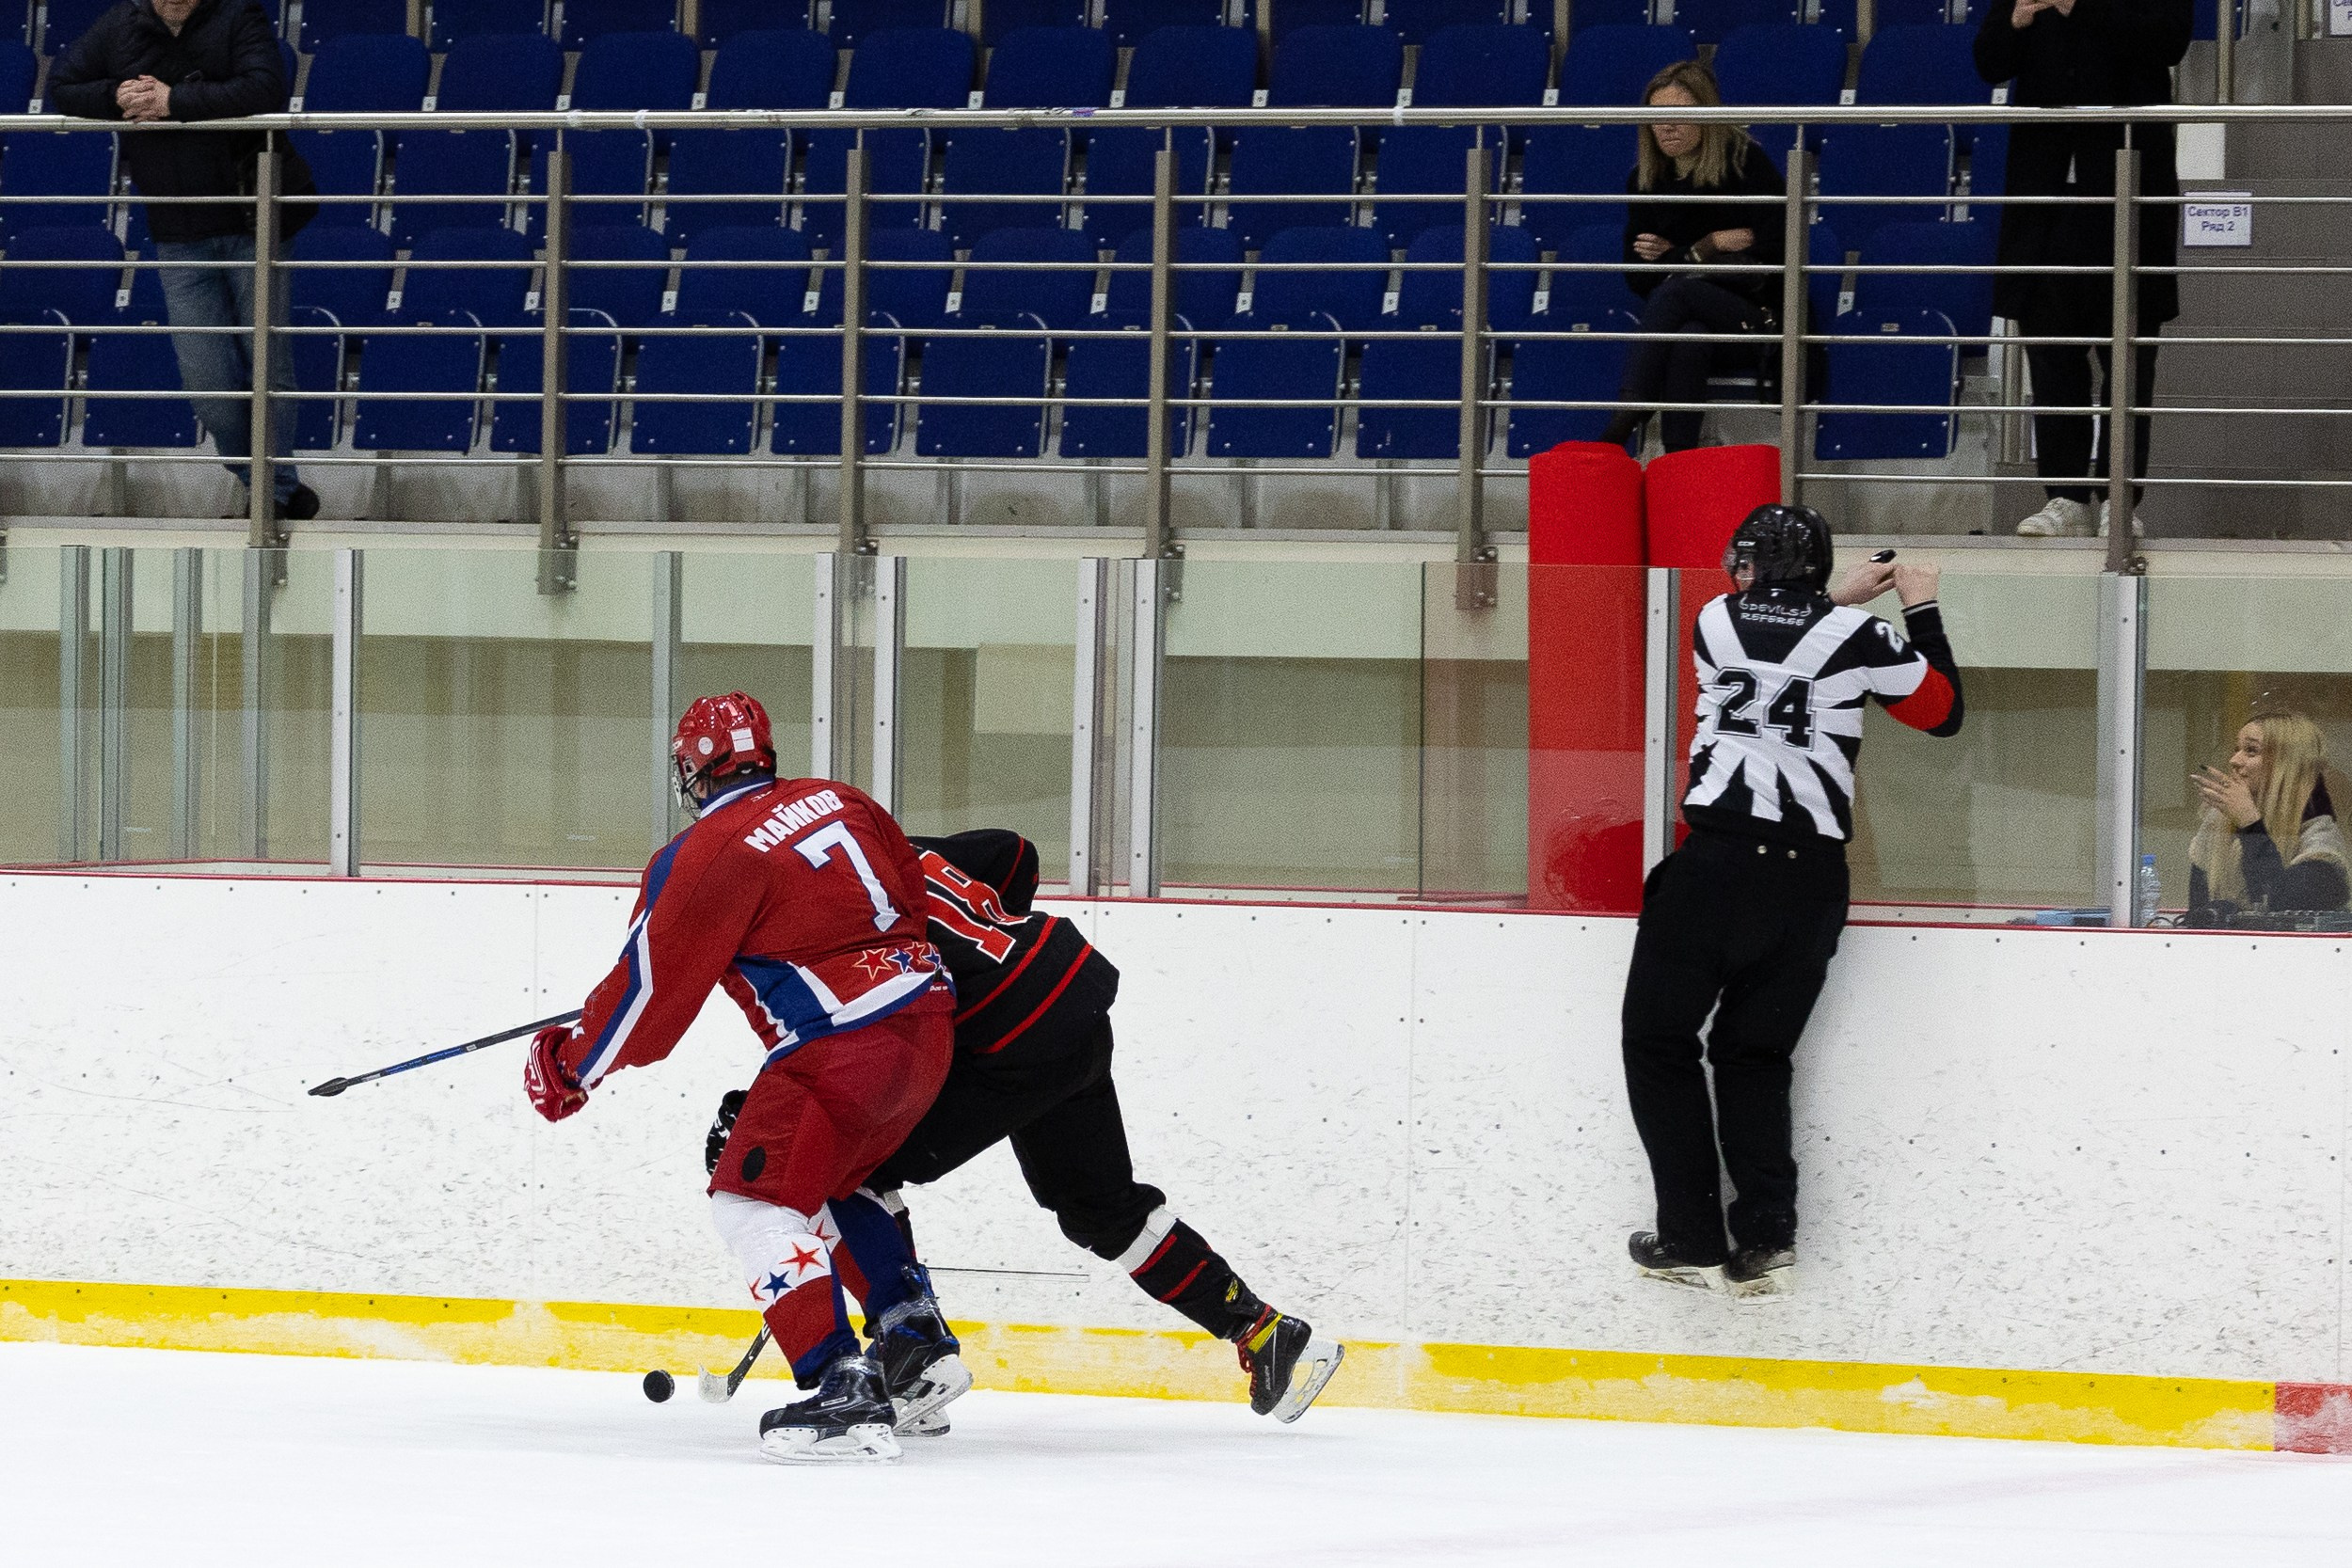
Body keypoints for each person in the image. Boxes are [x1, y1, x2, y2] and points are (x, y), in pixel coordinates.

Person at [704, 828, 1344, 1434]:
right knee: (1104, 1210)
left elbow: (851, 1037)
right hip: (1071, 997)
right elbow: (1014, 854)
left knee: (841, 1162)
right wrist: (994, 943)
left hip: (1009, 1040)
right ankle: (1267, 1333)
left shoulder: (814, 914)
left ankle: (914, 1353)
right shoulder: (883, 843)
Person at [525, 691, 954, 1465]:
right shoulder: (841, 797)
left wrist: (570, 1064)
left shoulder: (707, 851)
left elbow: (648, 1002)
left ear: (698, 767)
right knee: (833, 1182)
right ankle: (914, 1341)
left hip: (838, 1047)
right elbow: (910, 900)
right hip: (927, 1027)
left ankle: (838, 1384)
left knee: (750, 1199)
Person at [1620, 510, 1964, 1301]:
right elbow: (1942, 712)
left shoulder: (1712, 620)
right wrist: (1920, 607)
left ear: (1751, 565)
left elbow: (1778, 642)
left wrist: (1829, 600)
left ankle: (1691, 1233)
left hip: (1716, 866)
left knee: (1658, 1041)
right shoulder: (1863, 641)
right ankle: (1767, 1233)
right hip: (1808, 883)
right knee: (1755, 1056)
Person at [50, 0, 317, 522]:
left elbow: (265, 88)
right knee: (207, 381)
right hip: (176, 227)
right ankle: (268, 481)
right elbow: (61, 85)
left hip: (252, 217)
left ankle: (274, 495)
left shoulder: (239, 14)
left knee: (267, 366)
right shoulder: (121, 23)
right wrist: (116, 95)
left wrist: (175, 100)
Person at [1975, 0, 2192, 539]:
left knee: (2129, 360)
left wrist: (2080, 7)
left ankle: (2120, 498)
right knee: (2051, 356)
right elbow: (1989, 61)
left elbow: (2168, 41)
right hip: (2046, 200)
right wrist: (2018, 19)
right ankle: (2065, 496)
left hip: (2128, 191)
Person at [1596, 60, 1786, 455]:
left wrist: (1678, 256)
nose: (1666, 127)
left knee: (1677, 293)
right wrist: (1708, 246)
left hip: (1757, 317)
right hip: (1691, 320)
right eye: (1656, 117)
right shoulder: (1646, 180)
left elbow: (1774, 251)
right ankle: (1678, 464)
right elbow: (1638, 279)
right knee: (1688, 337)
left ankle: (1624, 419)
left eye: (1679, 115)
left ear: (1707, 115)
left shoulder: (1745, 164)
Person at [2187, 714, 2351, 919]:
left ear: (2287, 764)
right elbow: (2196, 915)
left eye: (2251, 751)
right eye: (2236, 749)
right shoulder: (2217, 822)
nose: (2234, 760)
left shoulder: (2320, 836)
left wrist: (2251, 824)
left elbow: (2283, 905)